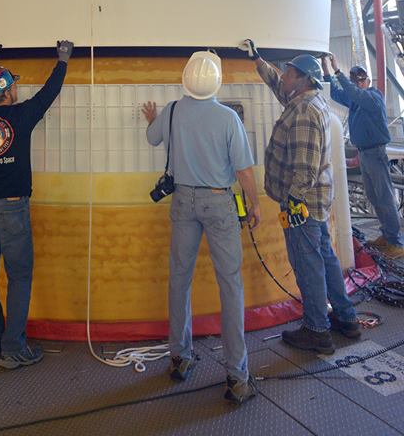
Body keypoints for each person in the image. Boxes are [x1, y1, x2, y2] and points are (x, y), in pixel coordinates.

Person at [142, 51, 260, 405]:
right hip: (219, 202)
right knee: (231, 285)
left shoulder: (174, 111)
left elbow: (151, 138)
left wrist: (152, 117)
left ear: (185, 80)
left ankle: (180, 358)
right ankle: (237, 378)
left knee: (180, 278)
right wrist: (254, 203)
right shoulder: (227, 118)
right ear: (216, 82)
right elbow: (243, 171)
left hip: (183, 203)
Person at [241, 39, 360, 354]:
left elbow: (305, 170)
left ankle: (317, 330)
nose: (285, 76)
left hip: (302, 205)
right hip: (315, 203)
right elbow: (278, 87)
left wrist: (291, 204)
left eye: (289, 73)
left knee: (307, 264)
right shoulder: (303, 101)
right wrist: (258, 60)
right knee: (326, 258)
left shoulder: (305, 112)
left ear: (305, 79)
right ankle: (347, 319)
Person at [0, 39, 73, 370]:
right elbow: (48, 93)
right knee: (19, 276)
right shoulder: (21, 116)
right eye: (13, 84)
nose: (17, 88)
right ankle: (14, 348)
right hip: (12, 210)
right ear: (8, 91)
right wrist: (63, 60)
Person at [323, 54, 404, 259]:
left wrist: (337, 70)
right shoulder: (356, 101)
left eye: (361, 80)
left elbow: (353, 93)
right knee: (375, 196)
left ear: (367, 81)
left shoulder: (372, 98)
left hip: (375, 154)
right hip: (366, 154)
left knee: (384, 197)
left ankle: (396, 242)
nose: (358, 83)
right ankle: (387, 236)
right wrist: (326, 70)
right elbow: (336, 93)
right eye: (355, 81)